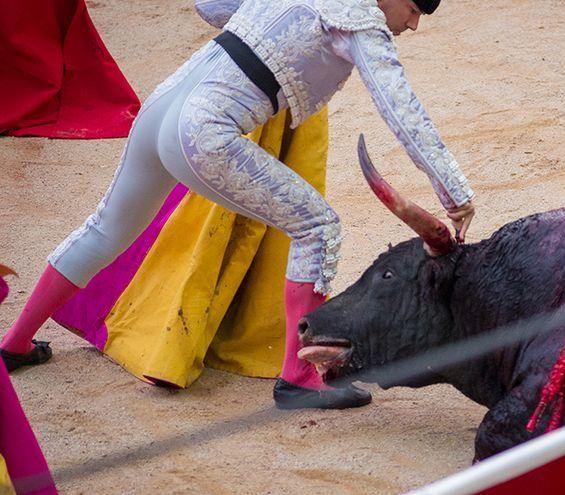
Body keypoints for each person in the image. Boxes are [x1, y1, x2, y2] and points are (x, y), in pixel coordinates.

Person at [0, 0, 476, 411]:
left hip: (166, 102)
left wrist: (265, 24)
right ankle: (300, 379)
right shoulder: (359, 20)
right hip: (204, 130)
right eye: (414, 8)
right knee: (318, 227)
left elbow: (209, 4)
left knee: (105, 228)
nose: (412, 24)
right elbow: (401, 110)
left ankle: (15, 343)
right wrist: (454, 193)